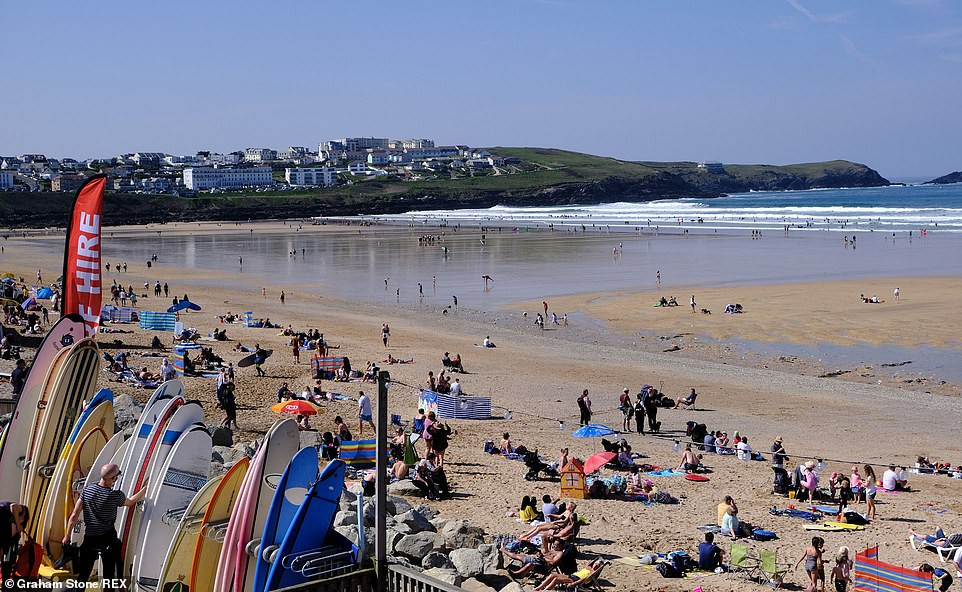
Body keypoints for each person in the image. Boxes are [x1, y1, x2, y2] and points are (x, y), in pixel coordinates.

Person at [64, 463, 148, 581]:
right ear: (114, 479)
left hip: (89, 538)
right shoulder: (115, 496)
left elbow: (74, 516)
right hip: (108, 538)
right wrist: (144, 489)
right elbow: (130, 502)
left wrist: (67, 536)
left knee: (83, 576)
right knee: (109, 576)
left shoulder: (88, 490)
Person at [532, 557, 606, 591]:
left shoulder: (593, 572)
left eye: (598, 565)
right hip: (573, 576)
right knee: (552, 575)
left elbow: (585, 578)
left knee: (556, 579)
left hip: (576, 580)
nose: (596, 565)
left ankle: (545, 590)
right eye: (596, 563)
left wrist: (574, 583)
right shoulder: (589, 567)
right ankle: (538, 588)